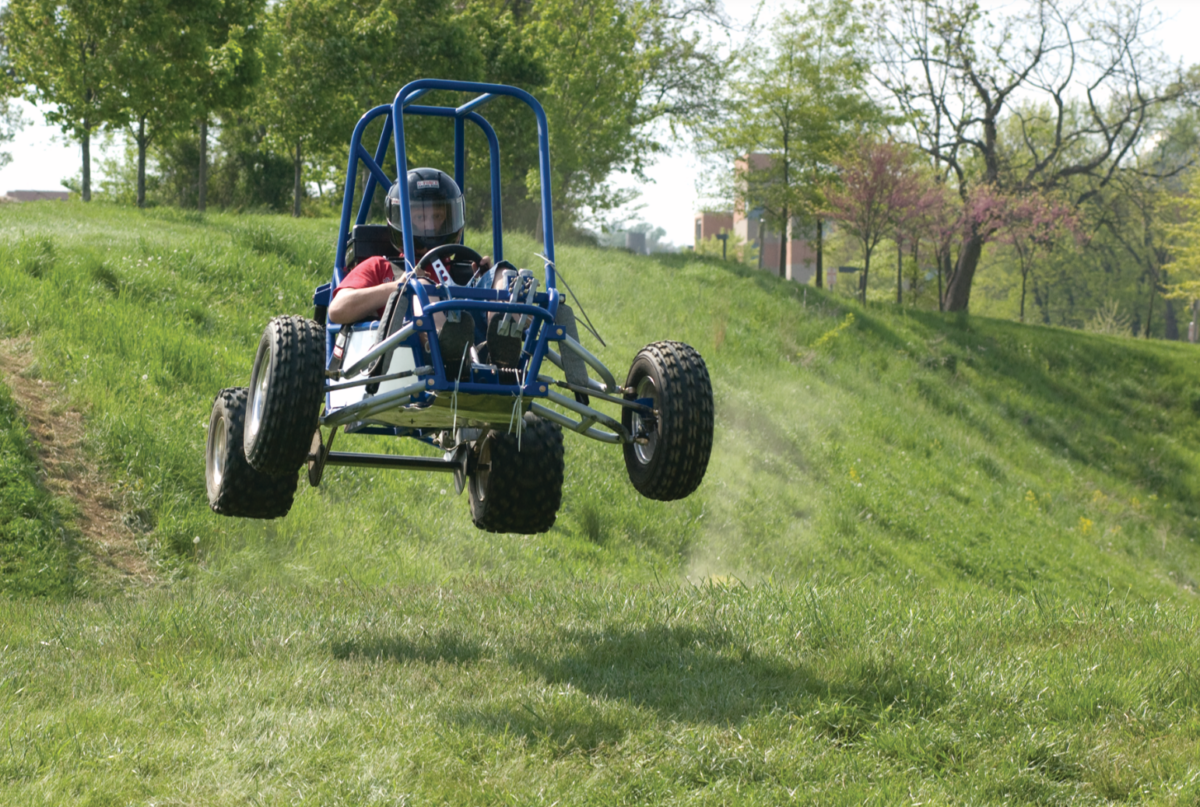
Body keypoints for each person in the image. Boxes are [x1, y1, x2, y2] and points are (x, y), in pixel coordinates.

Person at [328, 168, 490, 324]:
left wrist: (486, 281)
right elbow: (337, 309)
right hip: (405, 349)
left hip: (474, 347)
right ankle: (441, 338)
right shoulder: (378, 266)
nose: (430, 225)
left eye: (437, 216)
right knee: (421, 285)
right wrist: (399, 286)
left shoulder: (466, 270)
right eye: (420, 216)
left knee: (502, 273)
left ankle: (504, 335)